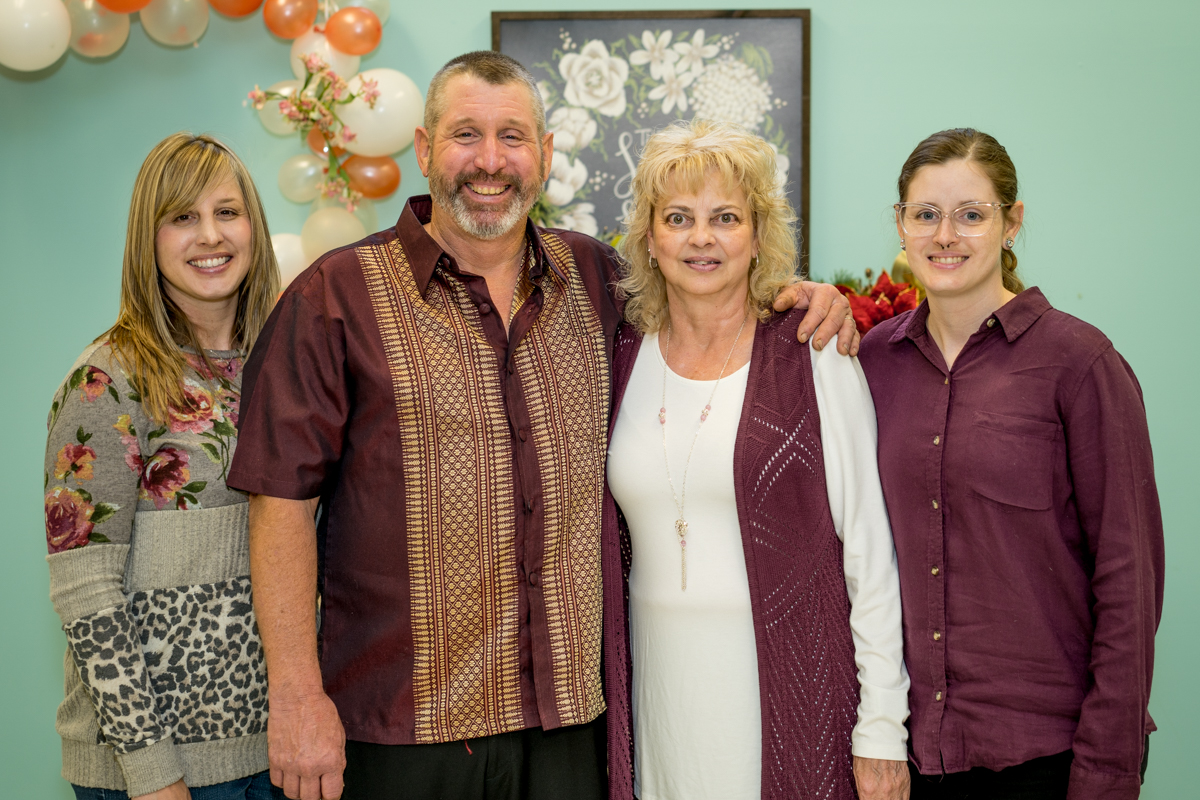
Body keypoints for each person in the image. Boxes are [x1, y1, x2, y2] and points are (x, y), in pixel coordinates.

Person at [225, 51, 858, 800]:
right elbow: (280, 504)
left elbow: (703, 294)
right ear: (424, 149)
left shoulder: (596, 280)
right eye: (466, 134)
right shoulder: (335, 297)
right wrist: (296, 694)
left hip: (569, 728)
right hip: (402, 726)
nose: (490, 161)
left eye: (513, 137)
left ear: (546, 154)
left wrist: (797, 296)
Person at [601, 119, 910, 800]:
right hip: (659, 697)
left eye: (726, 218)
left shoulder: (812, 352)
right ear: (649, 237)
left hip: (788, 693)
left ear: (758, 234)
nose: (701, 238)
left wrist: (883, 728)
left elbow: (869, 552)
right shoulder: (621, 353)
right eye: (678, 218)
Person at [858, 128, 1164, 800]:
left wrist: (1106, 771)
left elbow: (1128, 581)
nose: (946, 236)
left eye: (971, 214)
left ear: (1012, 222)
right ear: (901, 225)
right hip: (912, 757)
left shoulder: (1080, 364)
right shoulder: (873, 362)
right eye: (926, 214)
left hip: (1047, 756)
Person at [43, 133, 282, 800]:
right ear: (147, 239)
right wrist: (154, 776)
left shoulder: (283, 366)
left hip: (277, 752)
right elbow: (86, 594)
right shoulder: (106, 379)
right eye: (182, 217)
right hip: (155, 773)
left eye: (227, 212)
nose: (210, 235)